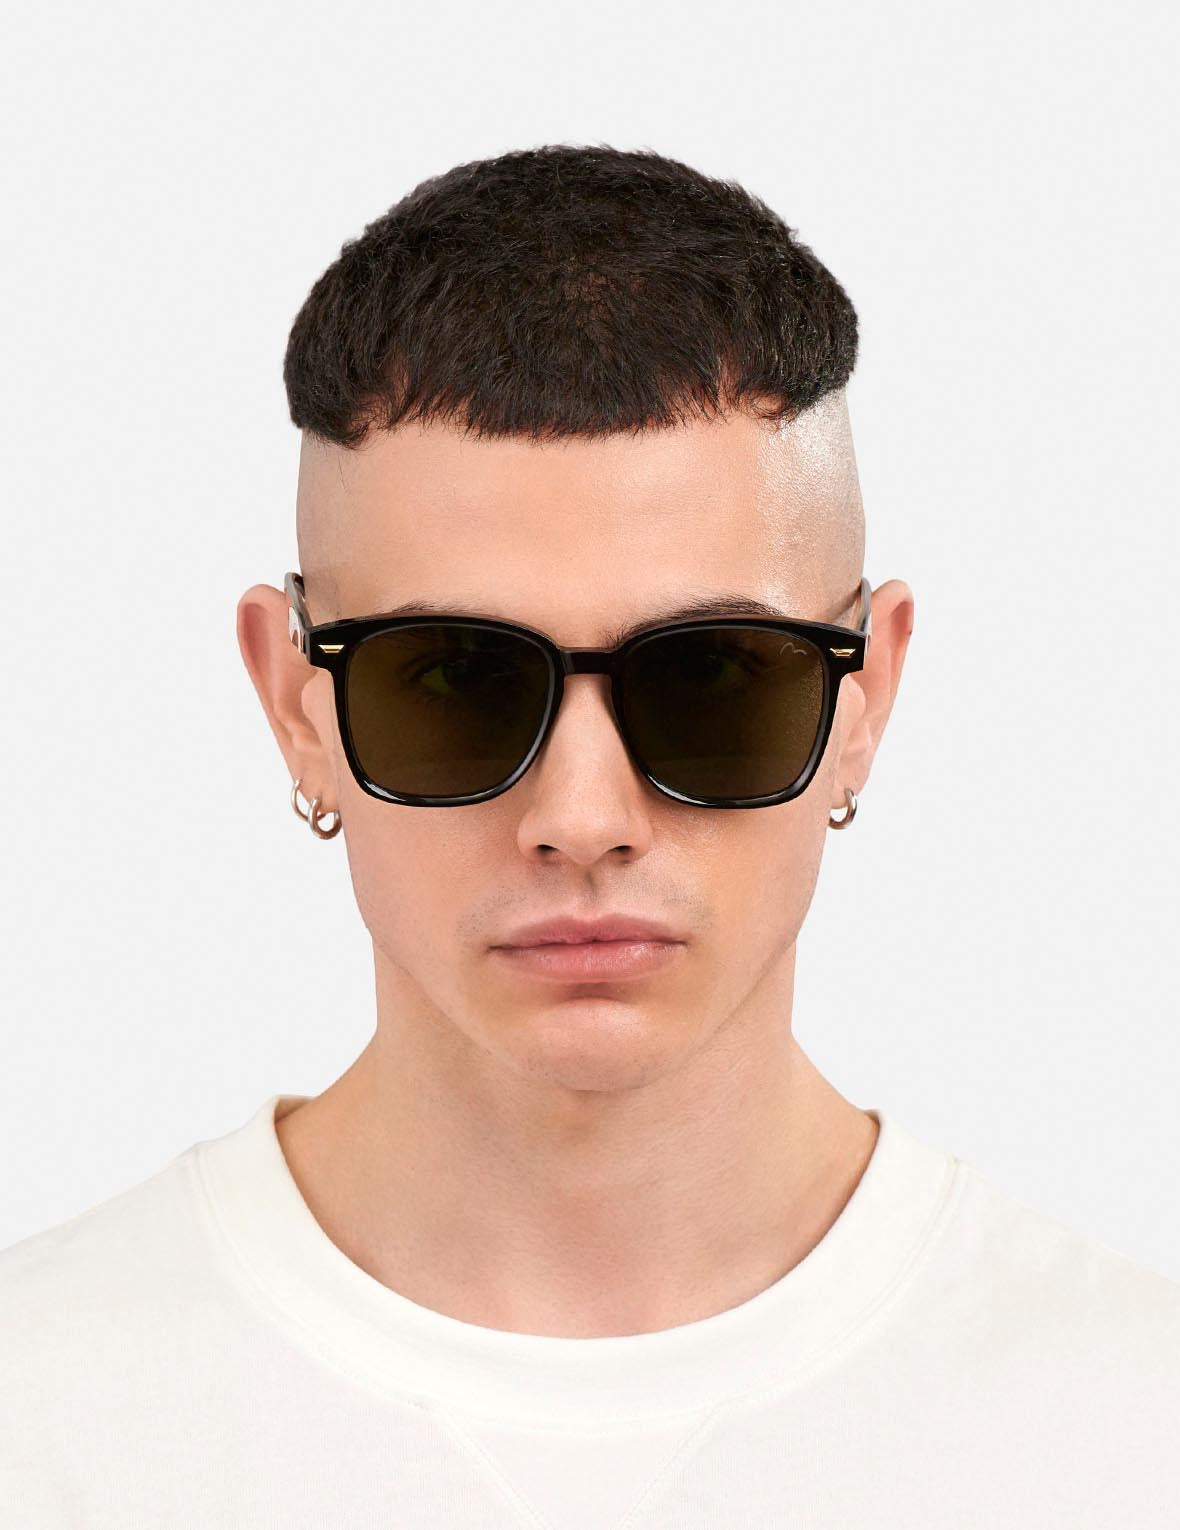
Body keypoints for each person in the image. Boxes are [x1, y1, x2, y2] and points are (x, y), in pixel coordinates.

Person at [2, 143, 1177, 1528]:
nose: (581, 821)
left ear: (867, 693)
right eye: (451, 679)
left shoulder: (1130, 1425)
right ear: (293, 701)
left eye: (716, 676)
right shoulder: (42, 1416)